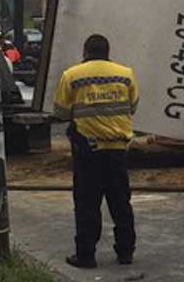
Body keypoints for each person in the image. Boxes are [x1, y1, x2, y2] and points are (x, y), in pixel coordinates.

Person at [54, 34, 139, 268]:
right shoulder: (125, 74)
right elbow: (131, 106)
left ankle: (86, 255)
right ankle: (125, 253)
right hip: (118, 150)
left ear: (85, 51)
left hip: (88, 151)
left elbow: (60, 112)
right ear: (107, 51)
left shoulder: (72, 76)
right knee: (121, 202)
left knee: (87, 205)